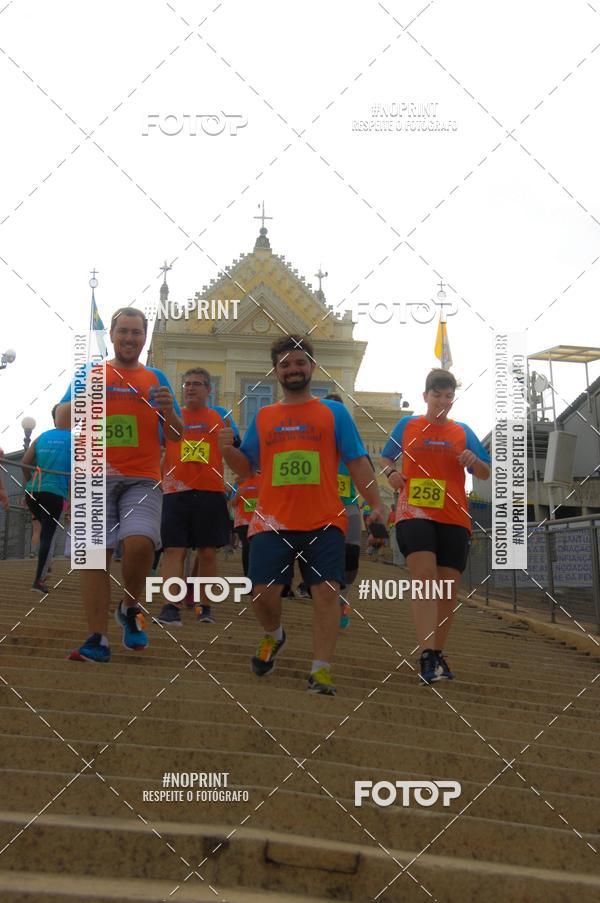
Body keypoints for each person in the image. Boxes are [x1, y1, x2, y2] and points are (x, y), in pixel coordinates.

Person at [219, 334, 385, 696]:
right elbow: (246, 467)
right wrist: (225, 450)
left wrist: (376, 505)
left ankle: (321, 670)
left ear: (311, 366)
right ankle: (274, 635)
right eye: (285, 364)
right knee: (263, 593)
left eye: (299, 362)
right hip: (271, 521)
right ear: (276, 371)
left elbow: (357, 460)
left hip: (325, 520)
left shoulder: (333, 412)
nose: (293, 369)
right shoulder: (264, 417)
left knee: (326, 592)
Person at [56, 307, 182, 663]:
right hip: (93, 476)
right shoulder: (91, 372)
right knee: (95, 556)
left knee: (140, 545)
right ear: (111, 335)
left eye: (136, 332)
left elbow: (175, 434)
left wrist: (169, 411)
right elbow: (62, 420)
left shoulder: (156, 378)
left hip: (142, 477)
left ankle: (129, 607)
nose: (129, 338)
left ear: (144, 337)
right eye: (123, 331)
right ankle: (97, 638)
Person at [380, 368, 490, 684]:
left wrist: (474, 461)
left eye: (448, 396)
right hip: (414, 512)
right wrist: (391, 476)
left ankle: (437, 653)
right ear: (425, 395)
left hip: (454, 516)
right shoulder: (408, 425)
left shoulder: (462, 431)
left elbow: (483, 472)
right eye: (437, 394)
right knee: (425, 576)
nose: (443, 401)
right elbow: (386, 459)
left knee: (447, 590)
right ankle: (427, 652)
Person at [155, 367, 239, 627]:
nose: (191, 388)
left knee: (207, 552)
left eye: (197, 384)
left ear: (208, 389)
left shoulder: (220, 416)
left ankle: (205, 607)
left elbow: (235, 445)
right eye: (187, 383)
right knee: (173, 550)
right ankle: (171, 607)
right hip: (175, 492)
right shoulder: (170, 416)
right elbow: (158, 447)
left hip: (210, 491)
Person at [323, 393, 363, 631]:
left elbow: (363, 469)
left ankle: (342, 597)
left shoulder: (350, 441)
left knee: (351, 559)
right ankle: (331, 604)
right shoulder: (313, 440)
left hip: (349, 507)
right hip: (321, 509)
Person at [21, 406, 71, 593]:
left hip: (33, 491)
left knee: (45, 531)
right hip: (55, 492)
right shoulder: (76, 441)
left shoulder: (40, 437)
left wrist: (29, 484)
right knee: (48, 535)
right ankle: (38, 581)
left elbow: (25, 463)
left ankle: (46, 564)